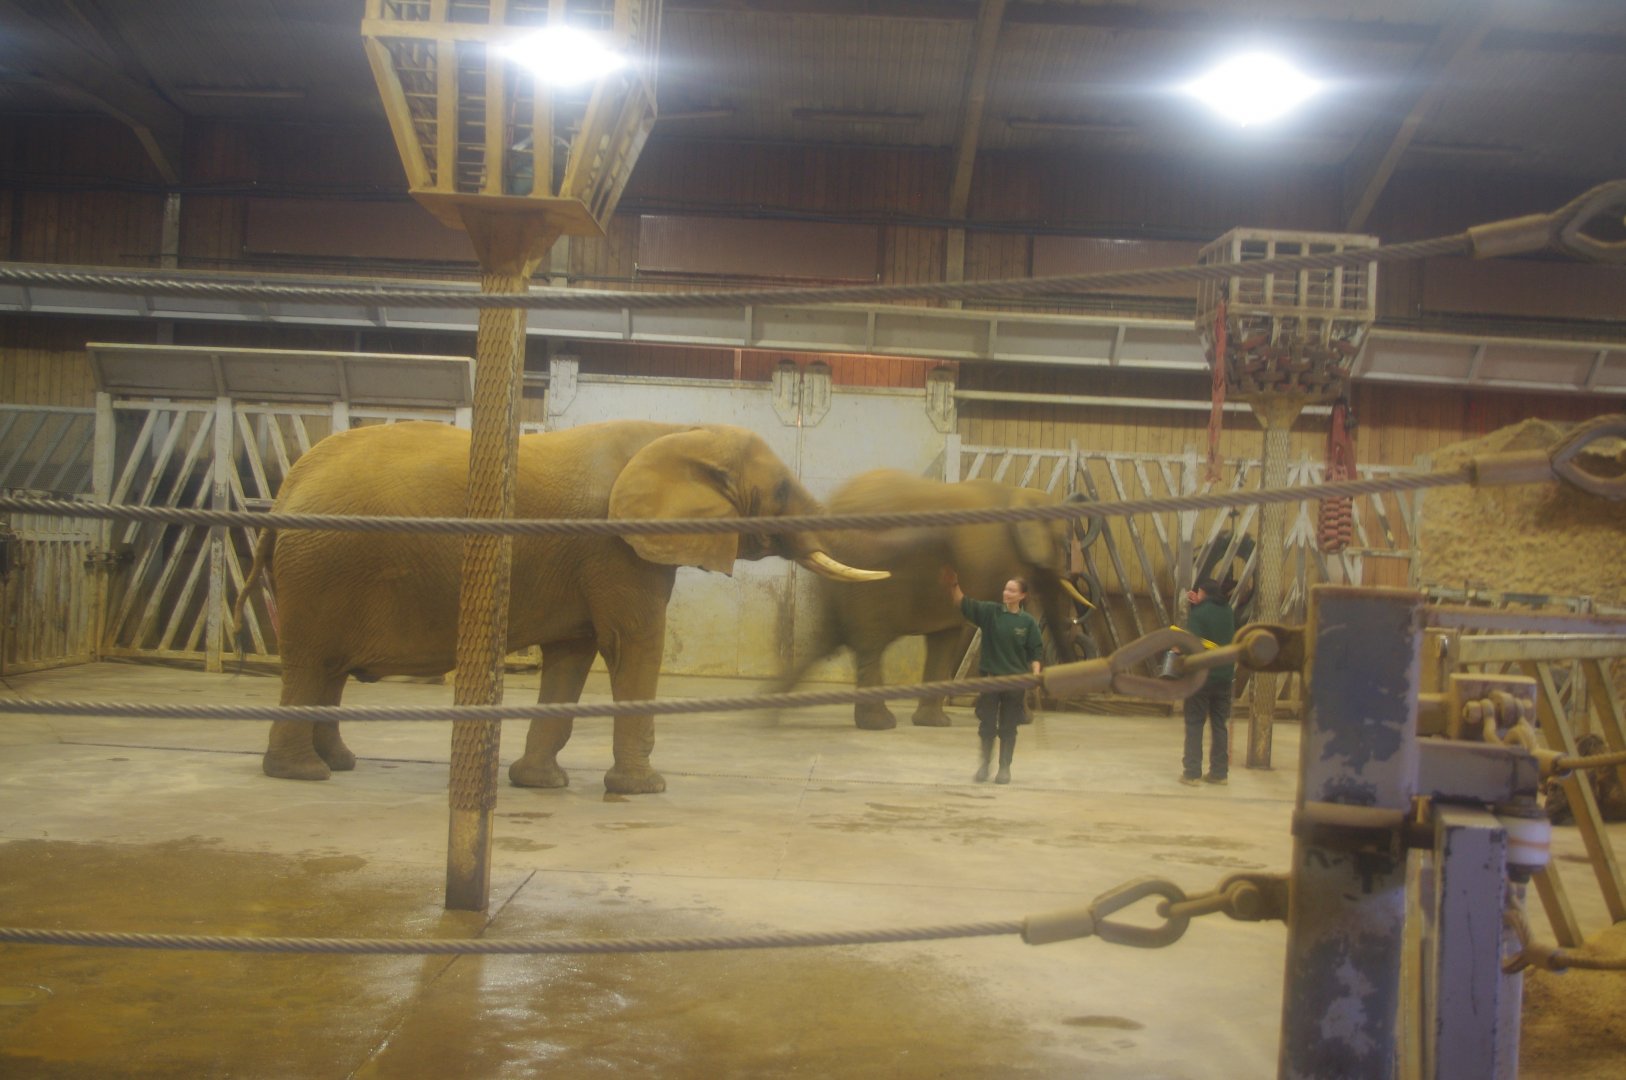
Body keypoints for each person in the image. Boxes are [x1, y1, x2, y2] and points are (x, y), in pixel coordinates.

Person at [947, 571, 1043, 785]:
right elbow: (963, 603)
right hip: (990, 680)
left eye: (1012, 590)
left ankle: (1004, 768)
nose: (1006, 593)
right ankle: (984, 766)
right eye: (1005, 589)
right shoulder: (990, 613)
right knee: (987, 724)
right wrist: (954, 584)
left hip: (1015, 683)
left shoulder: (1027, 623)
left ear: (1022, 596)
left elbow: (1035, 652)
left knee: (1009, 726)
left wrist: (1036, 675)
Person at [1180, 576, 1236, 787]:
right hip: (1224, 676)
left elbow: (1194, 644)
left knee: (1195, 723)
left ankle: (1192, 773)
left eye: (1198, 593)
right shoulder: (1228, 610)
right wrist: (1199, 604)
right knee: (1219, 725)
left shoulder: (1199, 614)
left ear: (1202, 593)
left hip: (1201, 677)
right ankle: (1219, 773)